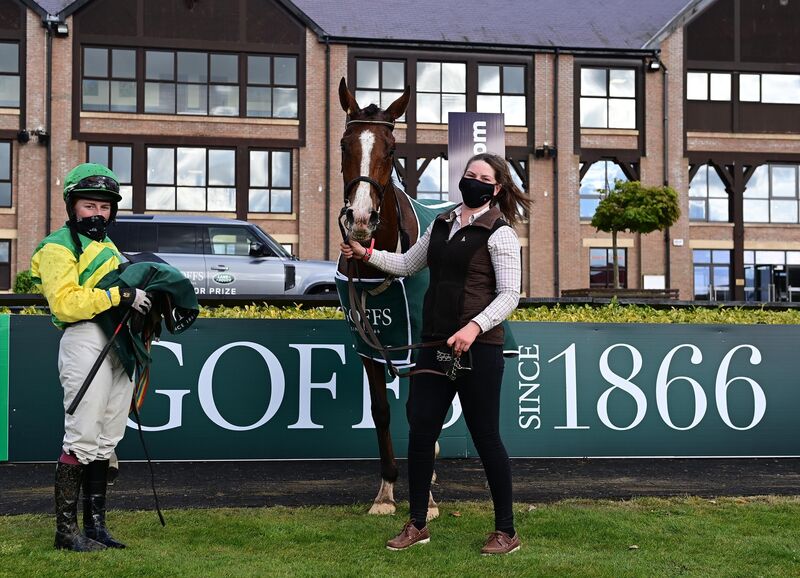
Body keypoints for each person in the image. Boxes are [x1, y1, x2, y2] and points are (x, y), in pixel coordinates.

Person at [341, 152, 531, 555]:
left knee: (486, 438)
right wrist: (367, 254)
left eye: (483, 177)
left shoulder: (500, 232)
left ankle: (506, 531)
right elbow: (409, 263)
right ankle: (417, 524)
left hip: (479, 349)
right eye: (469, 174)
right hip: (434, 346)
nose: (473, 181)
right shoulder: (441, 223)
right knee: (422, 431)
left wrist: (474, 326)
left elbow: (510, 294)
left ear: (496, 188)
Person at [30, 163, 153, 552]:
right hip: (84, 339)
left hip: (118, 343)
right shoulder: (56, 246)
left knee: (107, 439)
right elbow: (65, 304)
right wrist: (120, 296)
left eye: (104, 207)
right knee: (82, 436)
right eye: (89, 205)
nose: (98, 213)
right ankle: (66, 532)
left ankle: (96, 527)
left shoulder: (108, 248)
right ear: (72, 206)